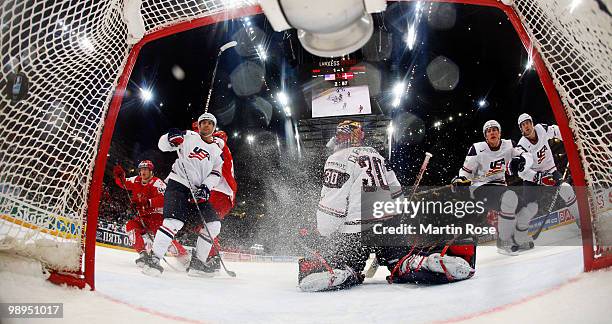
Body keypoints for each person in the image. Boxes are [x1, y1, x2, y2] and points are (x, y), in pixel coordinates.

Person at [298, 120, 403, 292]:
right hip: (387, 225)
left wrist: (323, 231)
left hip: (357, 230)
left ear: (342, 136)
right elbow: (397, 192)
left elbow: (333, 205)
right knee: (400, 260)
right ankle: (409, 263)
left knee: (347, 263)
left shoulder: (338, 158)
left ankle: (346, 271)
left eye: (338, 135)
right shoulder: (375, 154)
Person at [142, 112, 224, 277]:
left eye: (210, 123)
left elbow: (216, 174)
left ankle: (197, 264)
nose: (206, 125)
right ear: (198, 126)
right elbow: (162, 145)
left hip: (198, 192)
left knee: (214, 225)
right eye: (203, 123)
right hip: (178, 184)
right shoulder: (189, 136)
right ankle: (154, 260)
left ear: (214, 128)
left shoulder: (216, 151)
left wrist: (206, 188)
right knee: (173, 222)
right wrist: (170, 137)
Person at [451, 120, 534, 255]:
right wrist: (461, 180)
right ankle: (503, 241)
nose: (492, 132)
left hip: (501, 187)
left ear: (500, 133)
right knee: (509, 197)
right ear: (485, 136)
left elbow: (528, 155)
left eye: (495, 129)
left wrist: (522, 161)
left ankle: (518, 239)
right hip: (480, 188)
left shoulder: (509, 145)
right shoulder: (477, 149)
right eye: (488, 131)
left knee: (525, 211)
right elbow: (465, 172)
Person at [507, 113, 579, 250]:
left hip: (551, 170)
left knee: (566, 188)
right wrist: (539, 178)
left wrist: (570, 139)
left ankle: (580, 220)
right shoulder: (522, 146)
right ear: (521, 129)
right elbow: (523, 172)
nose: (526, 126)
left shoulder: (541, 129)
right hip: (533, 177)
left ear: (532, 123)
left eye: (527, 122)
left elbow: (557, 131)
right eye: (523, 125)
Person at [112, 160, 188, 267]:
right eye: (141, 169)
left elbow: (165, 198)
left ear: (151, 171)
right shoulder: (135, 180)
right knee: (130, 226)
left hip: (157, 216)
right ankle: (143, 254)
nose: (143, 172)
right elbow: (123, 183)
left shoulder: (157, 182)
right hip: (143, 217)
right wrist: (119, 177)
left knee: (163, 237)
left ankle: (184, 256)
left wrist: (147, 203)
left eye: (146, 169)